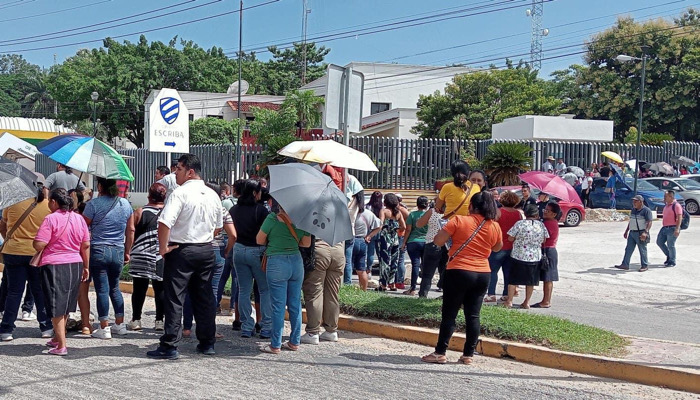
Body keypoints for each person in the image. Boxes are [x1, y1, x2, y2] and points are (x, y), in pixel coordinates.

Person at [147, 154, 223, 360]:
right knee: (204, 297)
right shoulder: (212, 194)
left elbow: (164, 222)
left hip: (182, 249)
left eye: (178, 169)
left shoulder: (179, 193)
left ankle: (170, 344)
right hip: (206, 249)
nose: (175, 173)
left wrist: (163, 249)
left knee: (175, 297)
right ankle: (207, 342)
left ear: (190, 171)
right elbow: (218, 226)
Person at [421, 191, 502, 365]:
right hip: (483, 272)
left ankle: (440, 352)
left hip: (459, 269)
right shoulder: (494, 225)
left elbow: (438, 241)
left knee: (450, 313)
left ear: (471, 205)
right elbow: (497, 247)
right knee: (473, 315)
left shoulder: (459, 220)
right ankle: (468, 355)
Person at [33, 188, 91, 355]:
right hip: (76, 263)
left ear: (53, 202)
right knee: (65, 303)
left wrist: (36, 242)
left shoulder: (50, 219)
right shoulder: (79, 219)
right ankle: (58, 338)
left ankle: (61, 345)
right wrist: (86, 267)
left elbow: (39, 244)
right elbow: (85, 244)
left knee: (55, 304)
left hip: (54, 264)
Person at [182, 182, 236, 339]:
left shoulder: (195, 208)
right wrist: (226, 250)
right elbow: (233, 235)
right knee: (212, 291)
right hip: (216, 253)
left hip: (196, 249)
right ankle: (209, 328)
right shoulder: (222, 210)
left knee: (191, 290)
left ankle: (186, 327)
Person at [83, 177, 134, 339]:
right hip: (118, 249)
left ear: (99, 186)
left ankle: (104, 327)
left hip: (99, 248)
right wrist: (128, 251)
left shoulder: (93, 205)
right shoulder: (125, 204)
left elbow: (83, 227)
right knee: (115, 287)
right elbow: (131, 229)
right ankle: (120, 324)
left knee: (102, 290)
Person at [256, 205, 311, 354]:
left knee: (278, 306)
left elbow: (259, 239)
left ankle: (275, 344)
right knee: (295, 303)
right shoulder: (302, 220)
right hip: (296, 262)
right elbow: (306, 243)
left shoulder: (272, 218)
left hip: (277, 262)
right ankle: (294, 341)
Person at [0, 187, 53, 341]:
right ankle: (46, 327)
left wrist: (10, 237)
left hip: (13, 251)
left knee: (14, 292)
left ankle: (6, 330)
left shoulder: (12, 203)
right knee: (39, 290)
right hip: (36, 253)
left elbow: (2, 226)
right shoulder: (47, 205)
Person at [231, 180, 271, 338]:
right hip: (257, 251)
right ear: (255, 193)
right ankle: (266, 326)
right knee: (264, 289)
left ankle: (246, 326)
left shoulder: (234, 209)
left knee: (243, 290)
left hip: (239, 250)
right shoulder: (260, 211)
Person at [124, 183, 167, 331]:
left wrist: (127, 251)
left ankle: (136, 320)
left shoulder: (139, 211)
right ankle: (159, 321)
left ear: (149, 195)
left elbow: (130, 231)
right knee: (160, 288)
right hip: (160, 255)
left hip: (140, 254)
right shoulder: (168, 212)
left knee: (139, 288)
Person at [505, 204, 549, 309]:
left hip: (518, 255)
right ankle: (526, 302)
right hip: (534, 257)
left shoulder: (520, 224)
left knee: (513, 280)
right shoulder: (541, 225)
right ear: (536, 214)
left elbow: (510, 238)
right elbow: (544, 240)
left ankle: (509, 301)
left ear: (525, 213)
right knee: (530, 282)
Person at [485, 191, 522, 303]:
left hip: (499, 245)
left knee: (492, 271)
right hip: (512, 247)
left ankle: (491, 294)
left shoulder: (499, 212)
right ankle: (506, 294)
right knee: (507, 272)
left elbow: (492, 226)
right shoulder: (518, 214)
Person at [416, 202, 448, 297]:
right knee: (445, 271)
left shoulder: (432, 212)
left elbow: (419, 224)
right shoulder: (454, 212)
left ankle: (423, 294)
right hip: (446, 245)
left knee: (427, 273)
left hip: (432, 243)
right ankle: (444, 293)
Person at [351, 193, 382, 291]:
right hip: (363, 241)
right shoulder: (368, 213)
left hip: (351, 240)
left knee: (347, 266)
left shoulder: (351, 213)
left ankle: (345, 288)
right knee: (361, 269)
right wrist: (369, 236)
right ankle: (363, 291)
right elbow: (379, 225)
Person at [615, 195, 653, 272]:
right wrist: (626, 231)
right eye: (633, 201)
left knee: (642, 250)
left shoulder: (646, 210)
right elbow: (631, 221)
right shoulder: (633, 210)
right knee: (628, 249)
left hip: (641, 233)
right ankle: (625, 264)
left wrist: (645, 232)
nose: (634, 203)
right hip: (632, 233)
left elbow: (649, 222)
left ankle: (644, 265)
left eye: (636, 201)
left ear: (641, 202)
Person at [533, 202, 561, 308]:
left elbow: (543, 237)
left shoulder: (550, 223)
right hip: (547, 250)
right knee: (546, 277)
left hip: (548, 251)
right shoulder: (548, 222)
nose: (545, 212)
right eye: (545, 210)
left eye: (548, 211)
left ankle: (546, 301)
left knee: (548, 278)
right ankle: (546, 300)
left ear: (554, 214)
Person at [401, 196, 429, 295]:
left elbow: (408, 230)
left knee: (415, 265)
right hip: (426, 242)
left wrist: (404, 242)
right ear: (427, 204)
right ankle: (424, 290)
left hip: (413, 241)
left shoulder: (412, 215)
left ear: (417, 204)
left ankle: (412, 289)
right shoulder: (429, 215)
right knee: (425, 266)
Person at [377, 193, 406, 291]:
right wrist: (397, 231)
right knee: (394, 261)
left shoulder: (384, 211)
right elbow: (404, 226)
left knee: (384, 261)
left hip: (385, 239)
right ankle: (392, 284)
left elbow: (380, 225)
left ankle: (383, 284)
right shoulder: (398, 213)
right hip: (395, 239)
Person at [657, 190, 683, 268]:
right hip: (665, 227)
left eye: (666, 196)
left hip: (672, 227)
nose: (664, 198)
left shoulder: (676, 205)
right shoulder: (666, 205)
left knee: (670, 245)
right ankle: (669, 255)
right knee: (659, 242)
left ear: (671, 197)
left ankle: (672, 261)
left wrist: (677, 228)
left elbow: (679, 217)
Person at [365, 191, 383, 275]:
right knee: (380, 251)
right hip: (380, 230)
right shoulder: (382, 208)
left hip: (370, 230)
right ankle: (382, 268)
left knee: (370, 252)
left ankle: (369, 269)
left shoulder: (368, 207)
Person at [394, 193, 410, 290]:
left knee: (396, 259)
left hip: (397, 235)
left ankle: (395, 281)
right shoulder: (403, 210)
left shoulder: (395, 210)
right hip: (401, 235)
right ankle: (399, 281)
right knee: (400, 260)